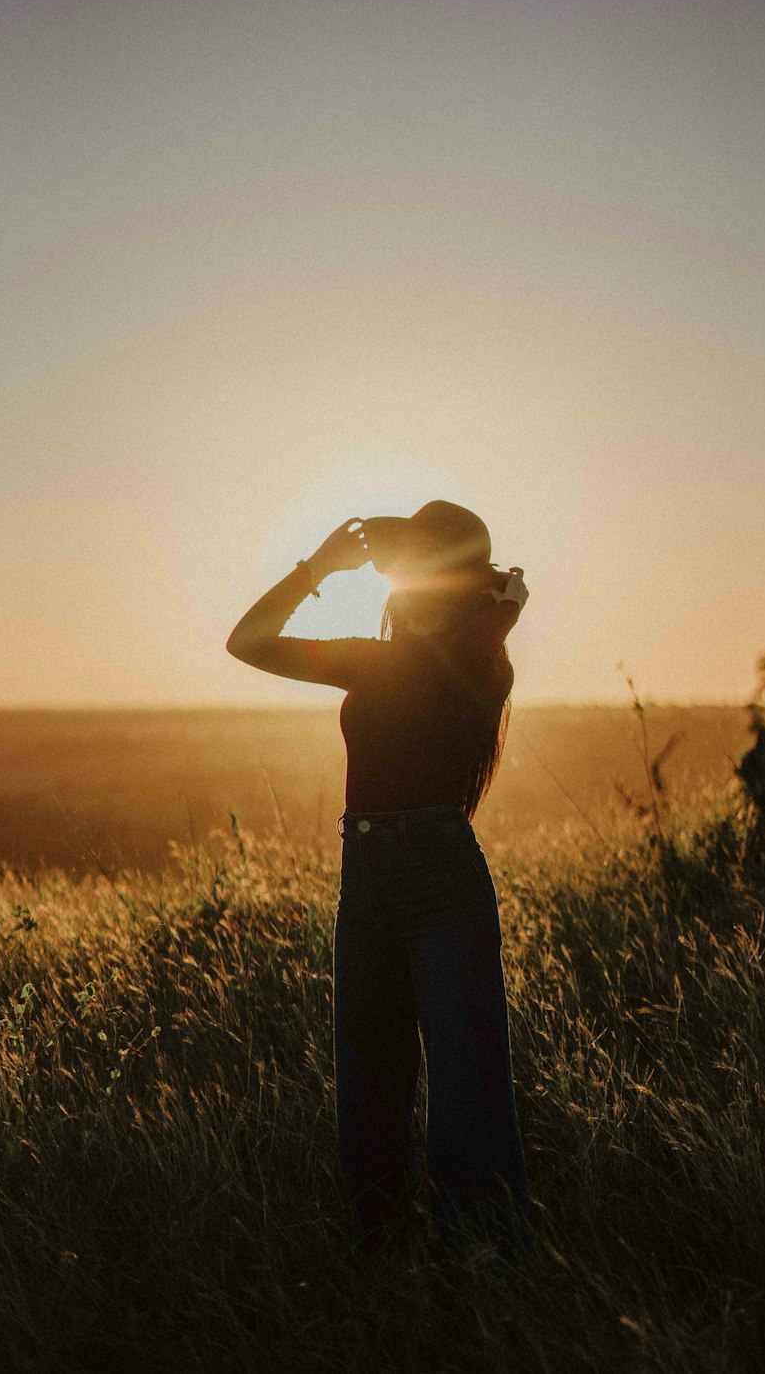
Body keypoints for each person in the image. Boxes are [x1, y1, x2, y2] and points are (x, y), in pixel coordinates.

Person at [226, 500, 531, 1260]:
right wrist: (318, 568)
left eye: (424, 564)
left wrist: (495, 604)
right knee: (368, 1098)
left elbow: (477, 641)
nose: (407, 579)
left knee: (467, 1106)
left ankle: (487, 1285)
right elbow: (247, 641)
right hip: (363, 882)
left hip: (441, 880)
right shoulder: (376, 658)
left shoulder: (482, 659)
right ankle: (384, 1274)